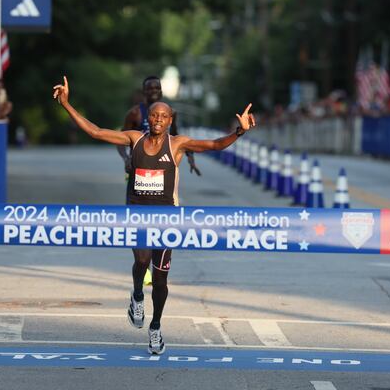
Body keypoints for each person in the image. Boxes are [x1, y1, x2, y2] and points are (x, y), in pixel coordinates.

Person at [53, 76, 256, 355]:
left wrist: (239, 132)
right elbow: (97, 132)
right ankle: (137, 294)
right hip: (137, 214)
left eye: (164, 116)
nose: (158, 119)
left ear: (170, 120)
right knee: (141, 260)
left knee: (160, 280)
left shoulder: (177, 145)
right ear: (148, 118)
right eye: (154, 115)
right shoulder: (134, 139)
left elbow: (214, 145)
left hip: (167, 218)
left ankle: (156, 326)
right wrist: (66, 104)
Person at [118, 76, 201, 176]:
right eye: (150, 89)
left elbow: (175, 136)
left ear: (161, 91)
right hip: (138, 166)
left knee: (164, 191)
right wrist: (126, 159)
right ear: (144, 91)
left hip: (162, 166)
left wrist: (190, 156)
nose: (154, 91)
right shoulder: (135, 113)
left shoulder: (171, 113)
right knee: (136, 192)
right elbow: (120, 140)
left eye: (157, 88)